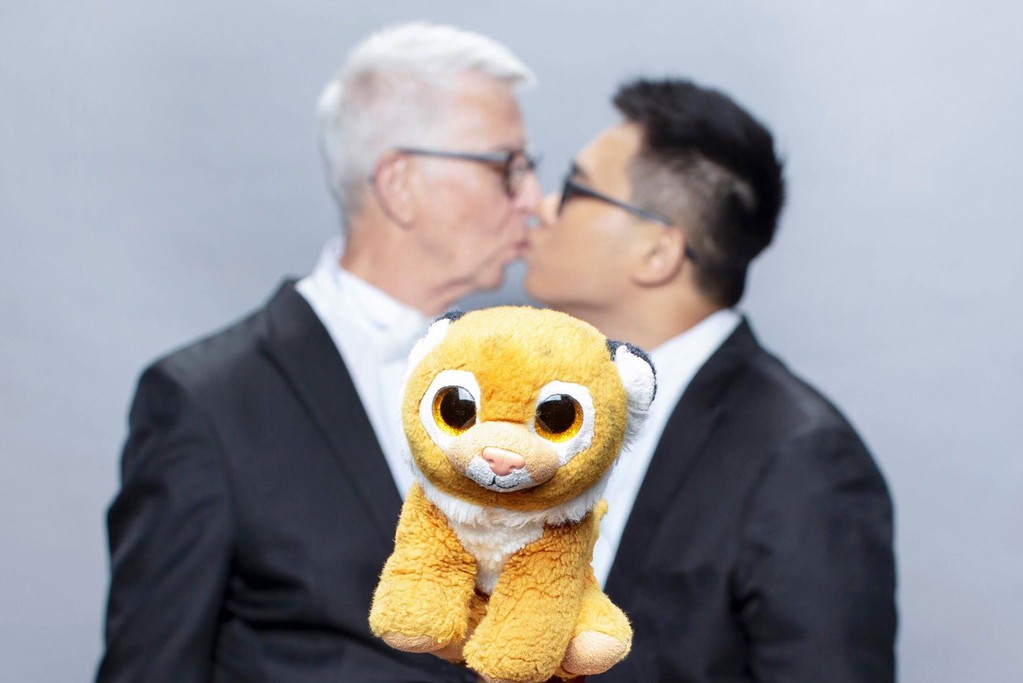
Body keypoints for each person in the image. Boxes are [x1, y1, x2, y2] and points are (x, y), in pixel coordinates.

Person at [97, 22, 540, 683]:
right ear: (400, 184)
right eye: (507, 167)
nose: (533, 199)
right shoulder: (210, 404)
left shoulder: (531, 389)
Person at [523, 78, 896, 682]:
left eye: (573, 190)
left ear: (658, 252)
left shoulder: (801, 460)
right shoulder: (538, 408)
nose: (540, 207)